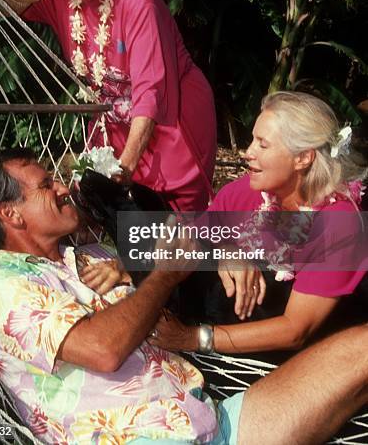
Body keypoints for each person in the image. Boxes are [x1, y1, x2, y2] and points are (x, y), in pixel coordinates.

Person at [0, 148, 368, 444]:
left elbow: (183, 271)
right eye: (47, 185)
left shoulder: (92, 255)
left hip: (214, 420)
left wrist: (229, 253)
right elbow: (104, 348)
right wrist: (166, 273)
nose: (64, 187)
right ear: (11, 214)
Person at [22, 0, 217, 211]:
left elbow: (151, 89)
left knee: (176, 235)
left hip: (172, 122)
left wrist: (124, 164)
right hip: (111, 126)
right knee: (118, 227)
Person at [150, 91, 368, 354]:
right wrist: (226, 251)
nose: (247, 152)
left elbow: (295, 329)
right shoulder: (246, 190)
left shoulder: (339, 224)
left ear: (303, 158)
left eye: (262, 145)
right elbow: (187, 237)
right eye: (252, 140)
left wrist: (195, 338)